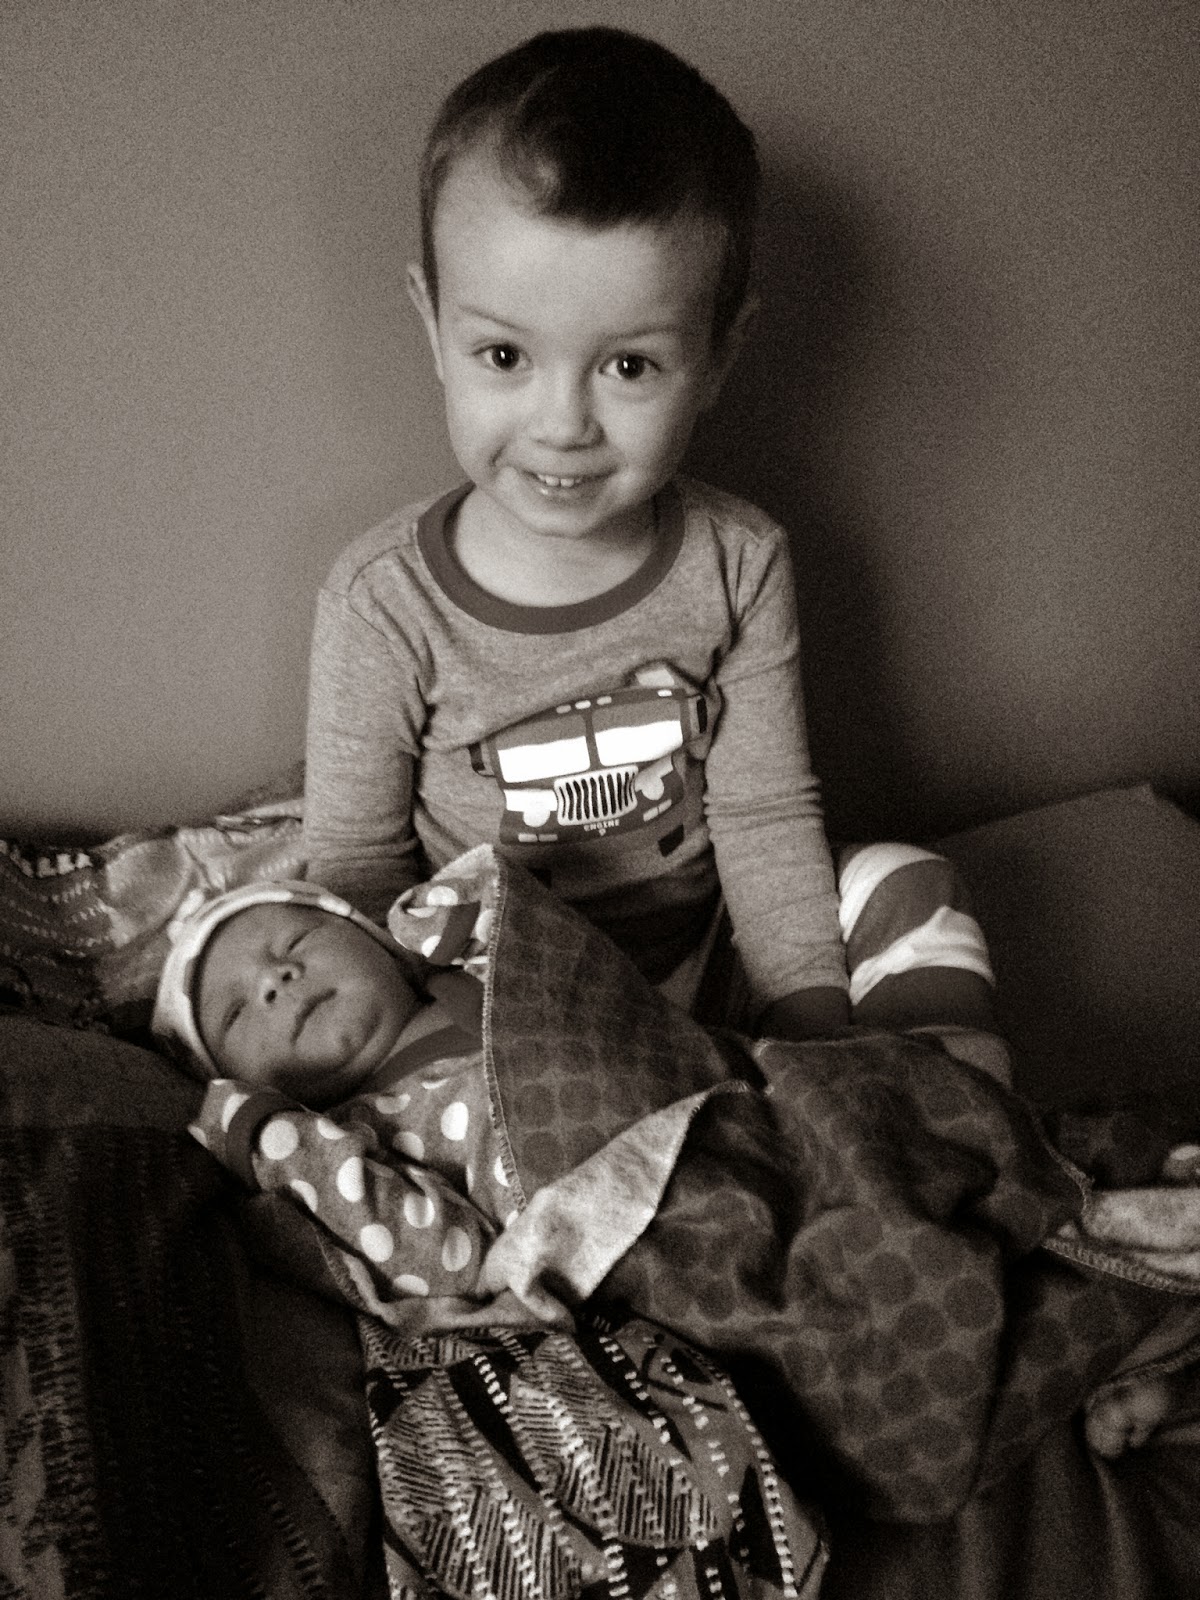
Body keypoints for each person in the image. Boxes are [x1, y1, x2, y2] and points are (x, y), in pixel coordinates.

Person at [151, 861, 1182, 1465]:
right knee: (865, 1313)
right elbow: (450, 1262)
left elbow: (600, 989)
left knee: (938, 1144)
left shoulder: (492, 972)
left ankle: (1131, 1279)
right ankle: (1141, 1331)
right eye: (237, 1010)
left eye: (293, 940)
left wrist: (462, 912)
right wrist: (280, 1144)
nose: (276, 979)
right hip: (642, 1237)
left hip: (732, 1115)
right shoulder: (361, 1135)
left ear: (376, 939)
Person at [302, 25, 851, 1040]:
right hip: (493, 1004)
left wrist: (814, 1023)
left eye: (629, 367)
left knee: (908, 886)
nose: (563, 425)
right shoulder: (384, 600)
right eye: (505, 356)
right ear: (434, 328)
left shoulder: (738, 564)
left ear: (719, 357)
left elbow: (766, 817)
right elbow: (358, 869)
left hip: (700, 975)